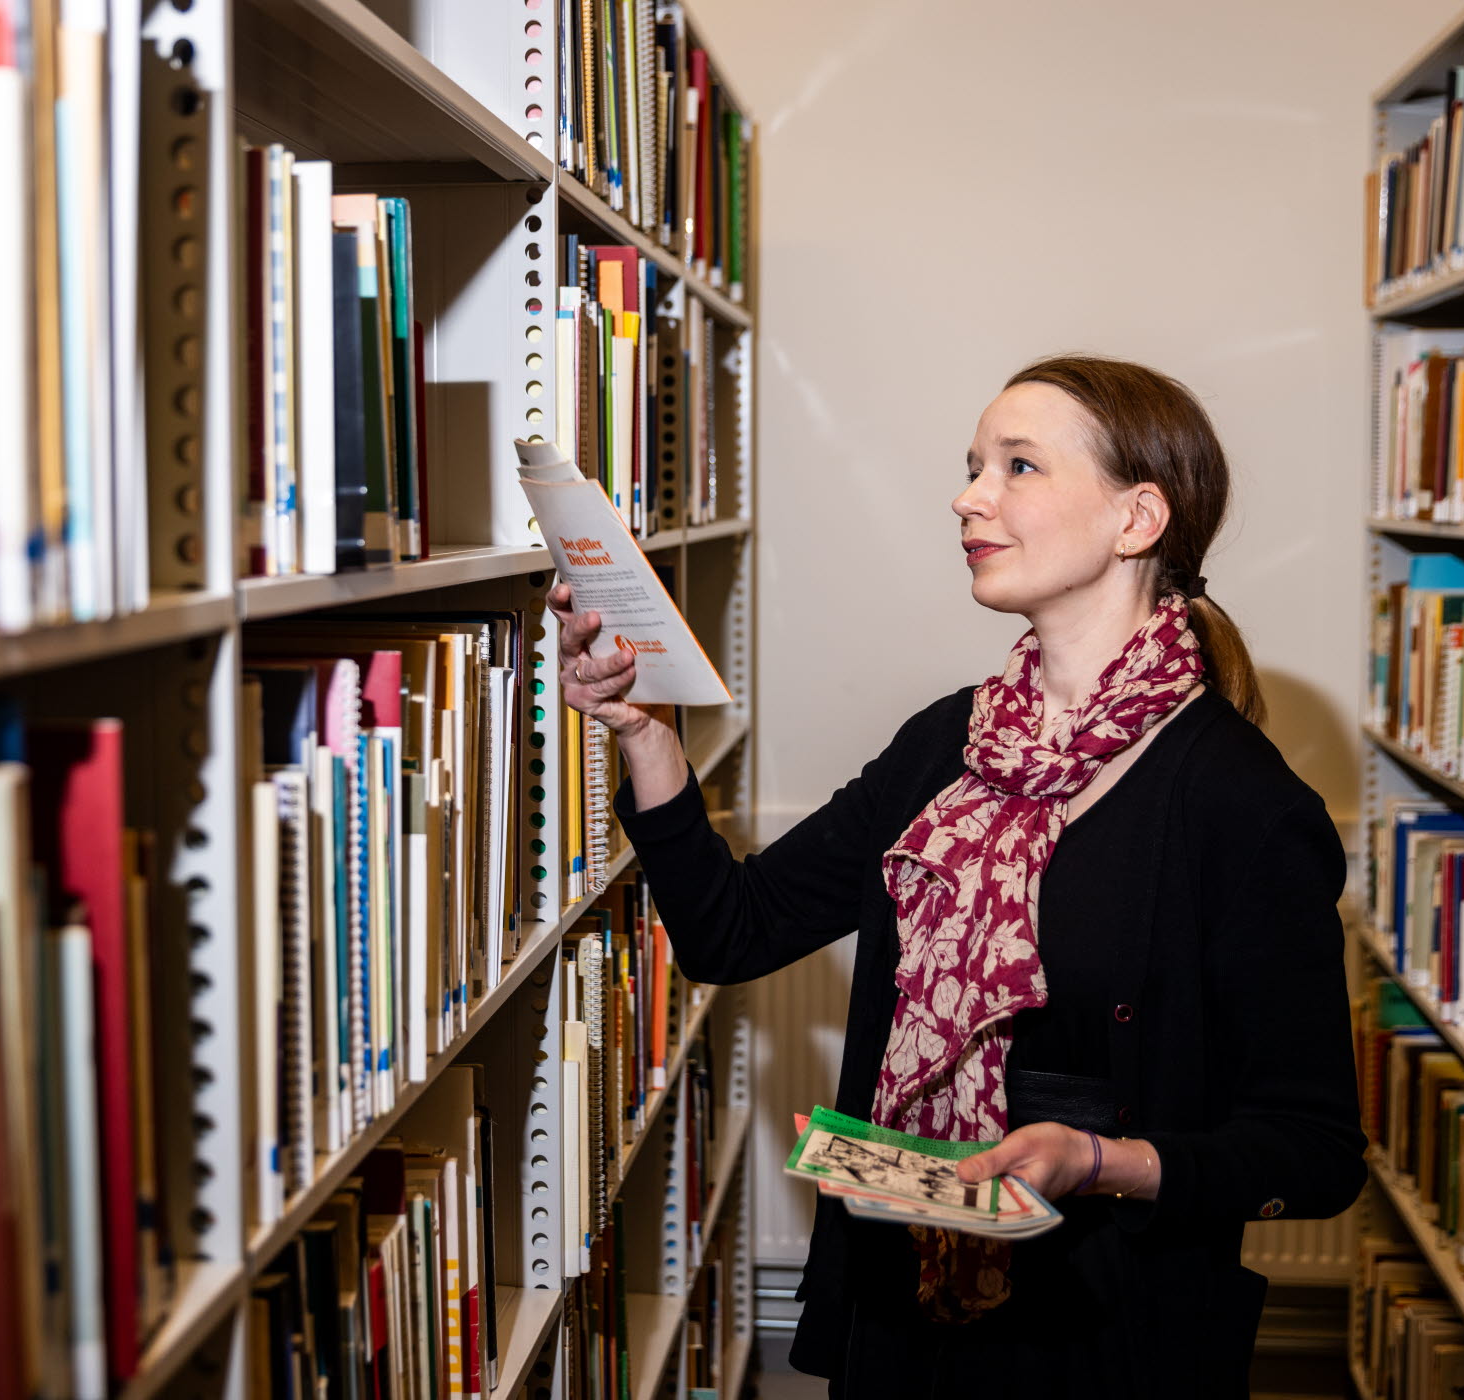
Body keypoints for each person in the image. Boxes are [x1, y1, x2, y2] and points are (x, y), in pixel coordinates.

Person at [551, 355, 1368, 1398]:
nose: (966, 495)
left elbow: (1310, 1151)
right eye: (972, 464)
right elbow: (733, 931)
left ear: (1136, 517)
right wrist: (644, 734)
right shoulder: (943, 743)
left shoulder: (1241, 805)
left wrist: (1096, 1159)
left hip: (1105, 1330)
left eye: (1015, 465)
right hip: (903, 1303)